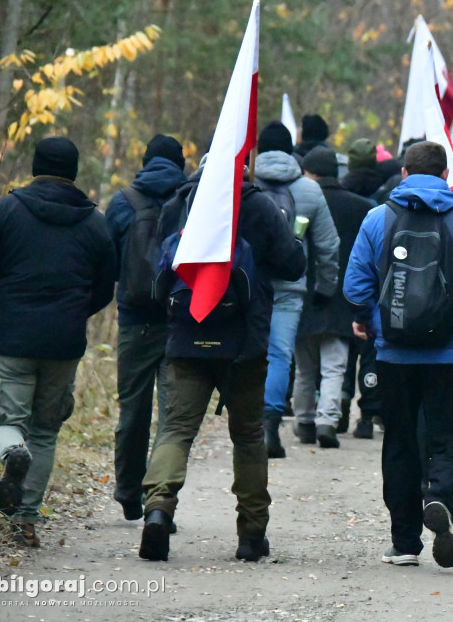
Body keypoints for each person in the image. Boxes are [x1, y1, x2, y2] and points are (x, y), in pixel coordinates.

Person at [139, 160, 305, 563]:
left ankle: (158, 510)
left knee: (176, 430)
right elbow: (292, 264)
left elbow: (160, 263)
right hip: (244, 342)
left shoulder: (179, 203)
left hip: (186, 333)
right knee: (248, 435)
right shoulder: (258, 205)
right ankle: (251, 534)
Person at [343, 141, 453, 569]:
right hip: (449, 356)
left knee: (399, 443)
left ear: (405, 173)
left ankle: (405, 542)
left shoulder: (378, 218)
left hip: (393, 355)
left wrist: (377, 325)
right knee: (448, 437)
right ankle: (442, 497)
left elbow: (355, 287)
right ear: (446, 174)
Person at [0, 137, 116, 547]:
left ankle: (12, 453)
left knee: (2, 422)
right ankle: (25, 522)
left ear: (34, 166)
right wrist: (73, 314)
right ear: (75, 171)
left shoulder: (5, 212)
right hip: (63, 343)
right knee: (46, 432)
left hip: (10, 337)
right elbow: (104, 286)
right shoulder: (94, 222)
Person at [104, 134, 187, 522]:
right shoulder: (191, 200)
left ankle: (126, 489)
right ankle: (160, 500)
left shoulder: (123, 202)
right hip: (179, 321)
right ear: (181, 163)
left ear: (145, 160)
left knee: (132, 410)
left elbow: (106, 263)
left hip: (135, 322)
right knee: (172, 418)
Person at [255, 121, 340, 456]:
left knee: (249, 353)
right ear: (292, 149)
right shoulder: (308, 190)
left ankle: (244, 425)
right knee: (279, 354)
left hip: (247, 286)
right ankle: (269, 427)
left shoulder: (244, 182)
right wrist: (325, 287)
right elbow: (329, 246)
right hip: (290, 287)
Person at [290, 146, 373, 448]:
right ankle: (328, 420)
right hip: (342, 298)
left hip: (304, 294)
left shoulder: (299, 200)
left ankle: (304, 420)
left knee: (304, 368)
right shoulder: (362, 207)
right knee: (335, 366)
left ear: (310, 173)